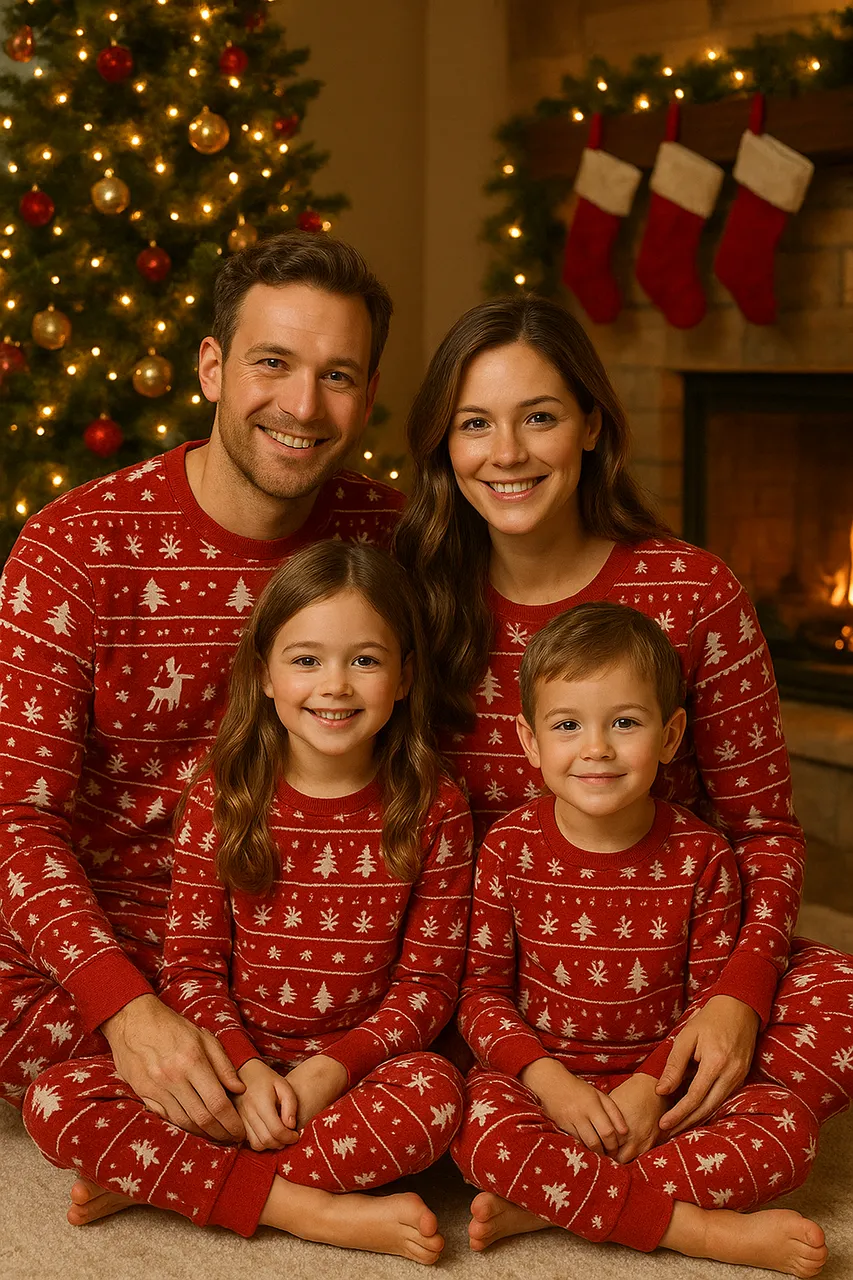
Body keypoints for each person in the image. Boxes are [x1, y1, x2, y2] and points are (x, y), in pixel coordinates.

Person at [0, 232, 406, 1220]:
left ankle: (174, 1159)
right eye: (273, 363)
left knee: (436, 1059)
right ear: (213, 367)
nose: (302, 406)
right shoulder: (75, 548)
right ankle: (272, 1173)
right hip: (117, 943)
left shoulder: (397, 541)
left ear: (366, 395)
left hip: (309, 949)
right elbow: (16, 820)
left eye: (336, 376)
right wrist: (127, 1011)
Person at [394, 294, 853, 1145]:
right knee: (414, 1084)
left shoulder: (694, 591)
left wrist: (734, 998)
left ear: (592, 426)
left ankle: (594, 1156)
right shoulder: (411, 600)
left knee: (839, 1007)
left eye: (539, 417)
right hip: (489, 988)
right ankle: (631, 1161)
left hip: (669, 975)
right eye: (473, 424)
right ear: (442, 445)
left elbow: (764, 832)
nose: (506, 453)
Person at [24, 541, 473, 1262]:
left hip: (354, 1077)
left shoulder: (435, 807)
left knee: (439, 1096)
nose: (335, 685)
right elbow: (192, 970)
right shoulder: (222, 795)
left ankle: (178, 1181)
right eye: (306, 660)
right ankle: (304, 1210)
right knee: (57, 1101)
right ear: (264, 674)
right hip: (229, 1069)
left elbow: (427, 987)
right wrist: (244, 1068)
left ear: (405, 676)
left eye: (364, 659)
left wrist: (330, 1072)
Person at [451, 602, 827, 1279]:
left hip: (665, 1087)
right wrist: (549, 1083)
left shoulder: (702, 857)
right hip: (543, 1085)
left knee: (787, 1137)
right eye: (567, 725)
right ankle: (692, 1229)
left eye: (624, 723)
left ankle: (554, 1204)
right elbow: (479, 995)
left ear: (670, 734)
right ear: (530, 742)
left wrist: (651, 1091)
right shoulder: (507, 849)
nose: (596, 747)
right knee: (473, 1131)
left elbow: (707, 1005)